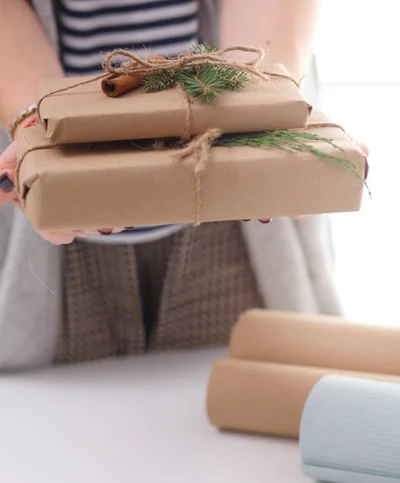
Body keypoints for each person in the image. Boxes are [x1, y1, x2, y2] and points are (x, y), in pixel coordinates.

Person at [0, 0, 353, 370]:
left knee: (251, 389)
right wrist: (36, 132)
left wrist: (268, 111)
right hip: (47, 253)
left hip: (230, 219)